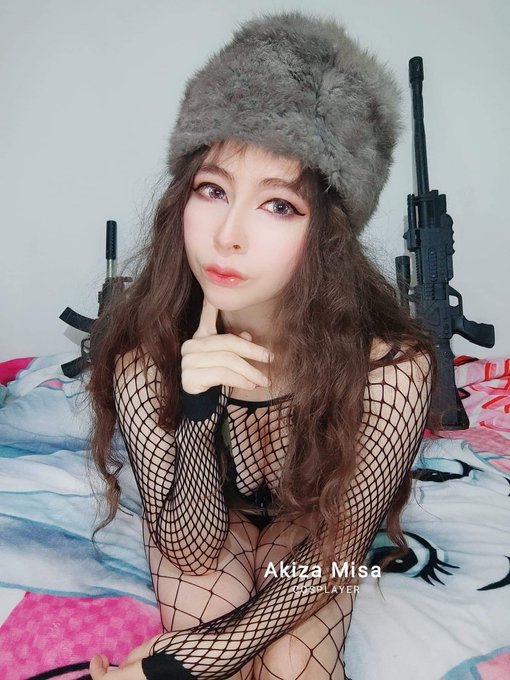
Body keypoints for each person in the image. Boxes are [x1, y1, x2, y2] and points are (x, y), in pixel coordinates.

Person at [86, 10, 438, 680]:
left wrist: (177, 666)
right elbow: (189, 546)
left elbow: (339, 547)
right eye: (212, 190)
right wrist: (196, 407)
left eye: (279, 205)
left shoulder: (390, 367)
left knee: (290, 666)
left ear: (328, 233)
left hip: (311, 528)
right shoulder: (146, 358)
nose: (228, 235)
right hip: (201, 522)